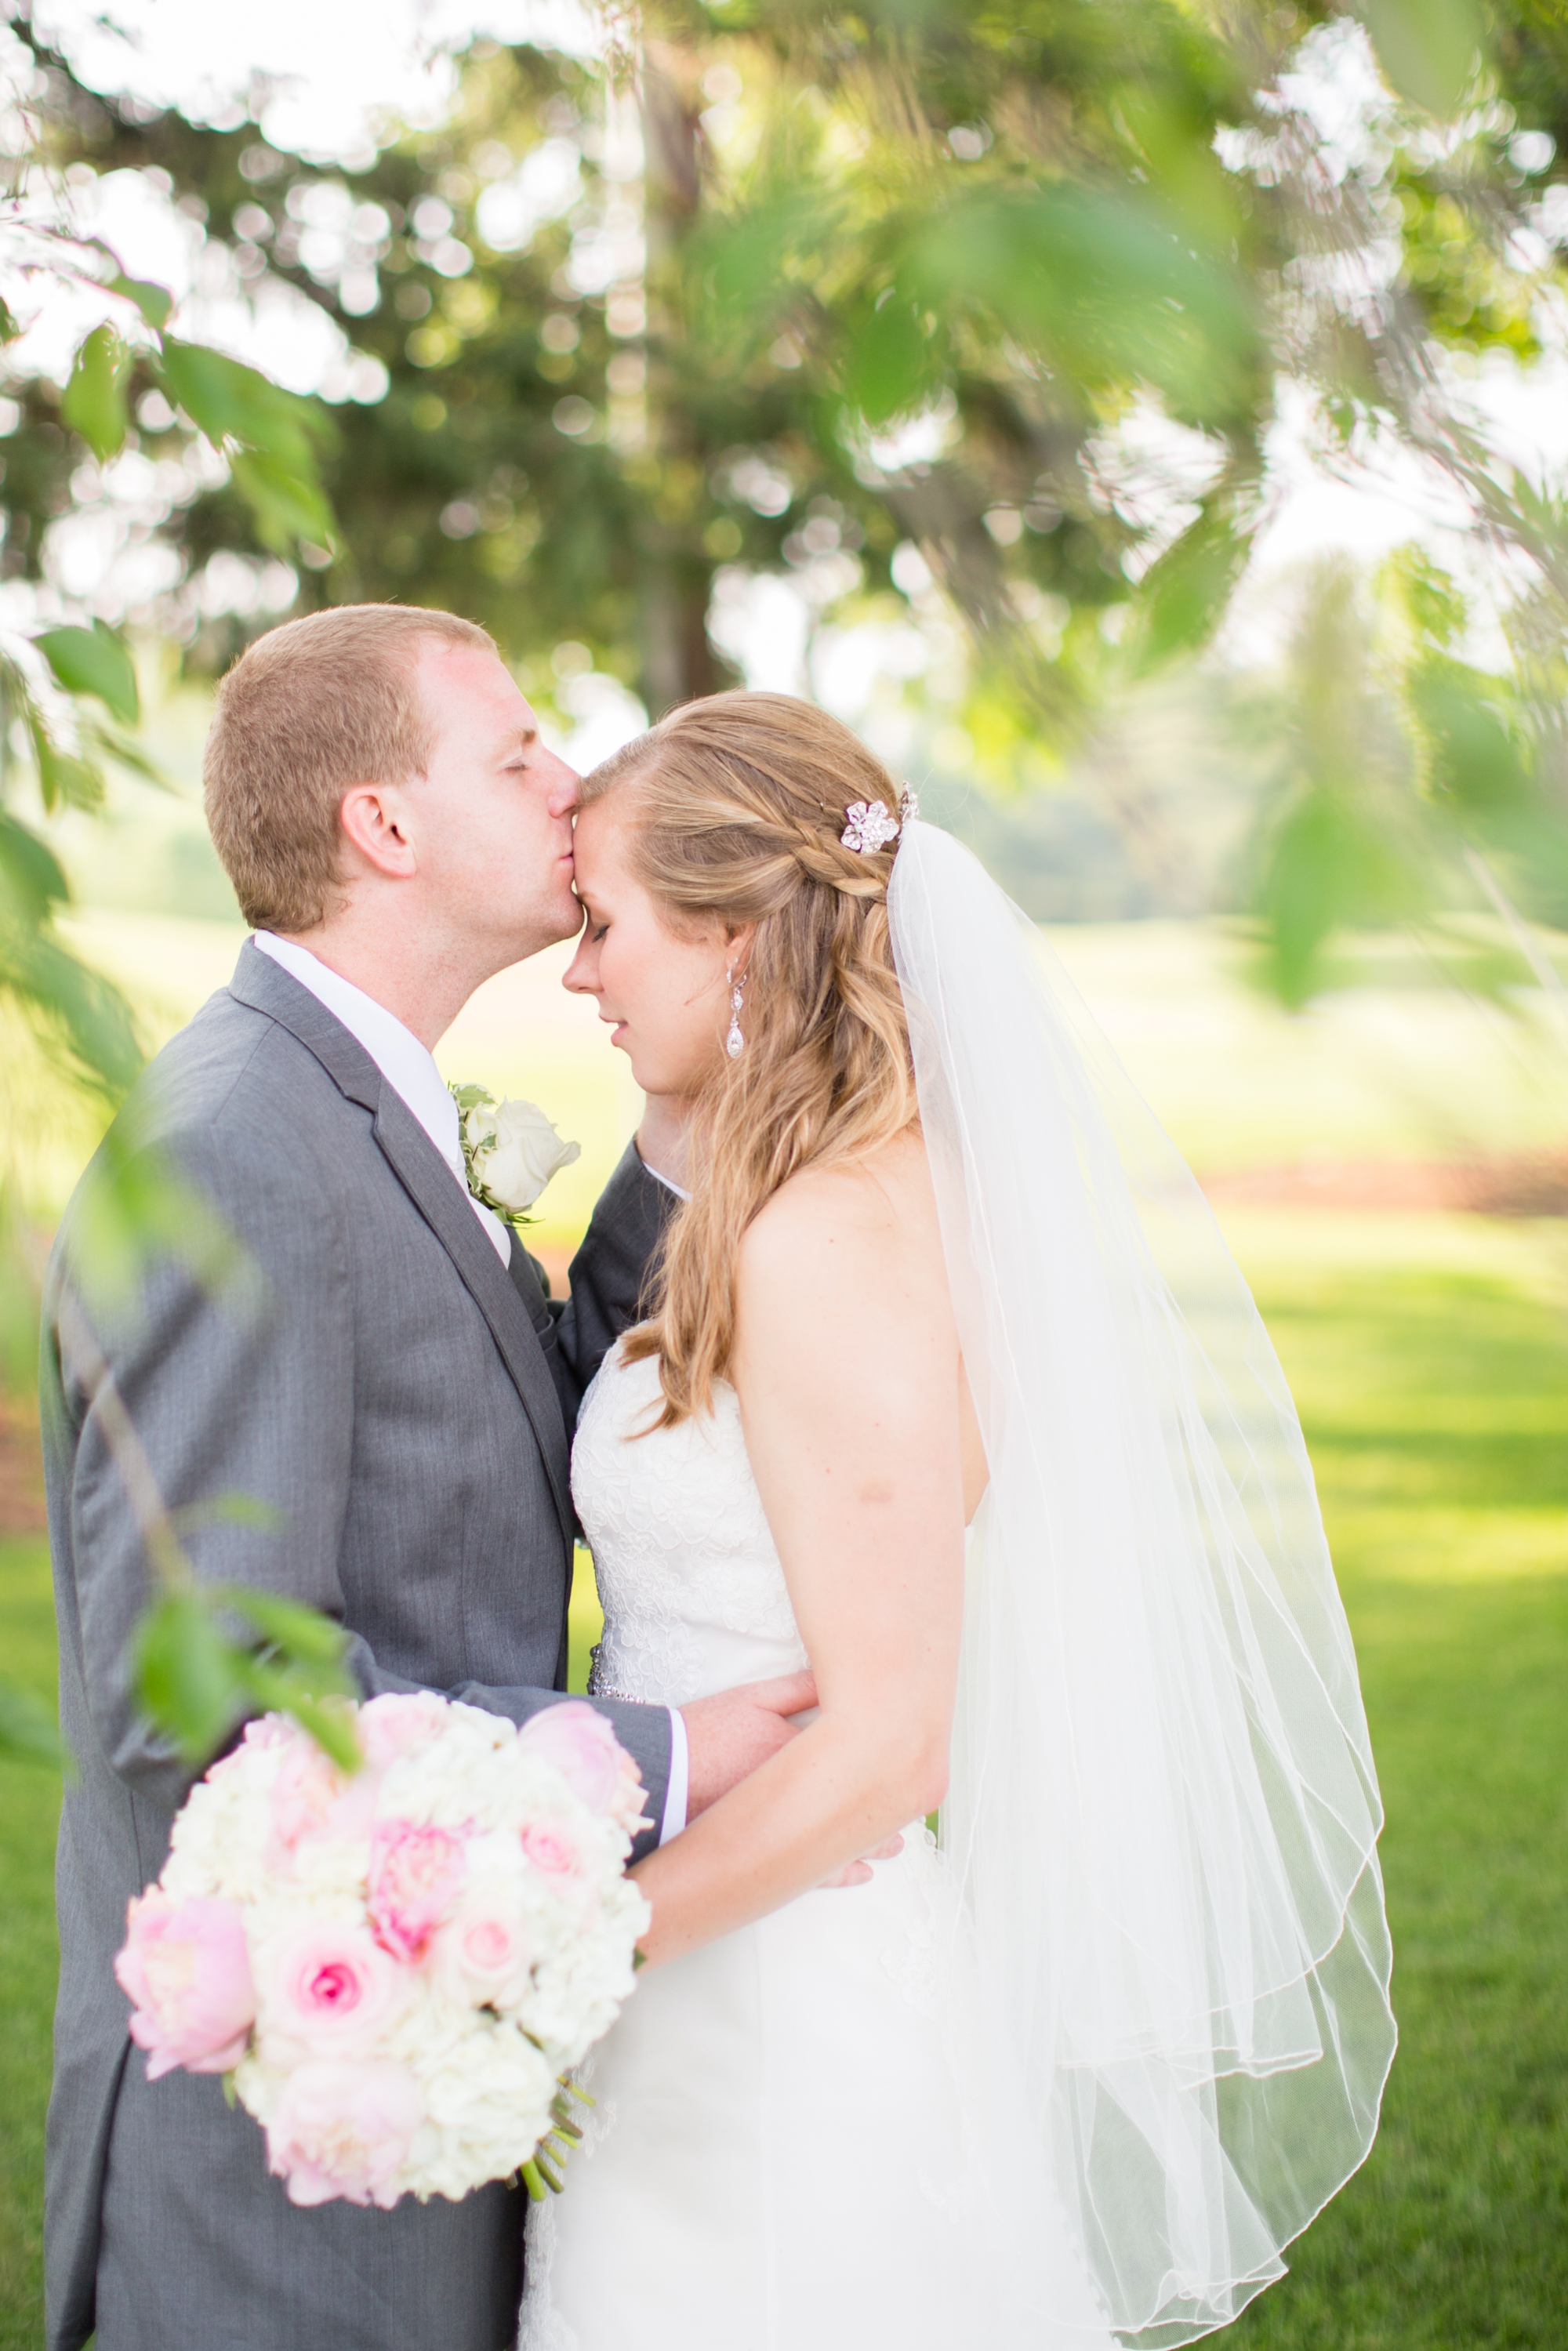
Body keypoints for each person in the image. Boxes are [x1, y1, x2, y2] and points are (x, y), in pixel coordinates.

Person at [520, 691, 1397, 2349]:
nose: (577, 972)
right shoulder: (805, 1193)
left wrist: (573, 1952)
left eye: (602, 924)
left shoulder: (827, 1241)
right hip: (728, 1959)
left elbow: (887, 1746)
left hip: (761, 1994)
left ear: (736, 941)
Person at [39, 608, 816, 2351]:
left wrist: (683, 1121)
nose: (572, 780)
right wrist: (671, 1757)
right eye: (519, 751)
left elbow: (504, 1442)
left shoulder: (353, 1104)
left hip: (408, 2065)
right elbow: (216, 1691)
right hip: (268, 2172)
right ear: (384, 828)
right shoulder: (241, 1147)